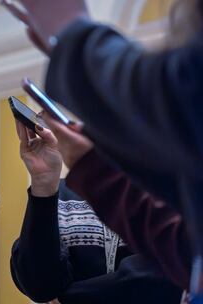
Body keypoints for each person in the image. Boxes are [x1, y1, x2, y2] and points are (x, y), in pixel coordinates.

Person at [10, 117, 182, 303]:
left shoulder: (181, 193)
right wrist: (43, 184)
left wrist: (72, 297)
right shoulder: (59, 194)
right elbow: (40, 286)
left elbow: (172, 270)